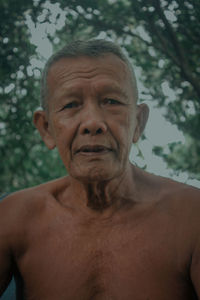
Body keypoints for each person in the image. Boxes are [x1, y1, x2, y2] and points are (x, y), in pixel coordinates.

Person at [0, 39, 200, 300]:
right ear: (46, 128)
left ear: (138, 122)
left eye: (111, 101)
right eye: (71, 105)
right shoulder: (15, 218)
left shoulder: (191, 217)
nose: (93, 123)